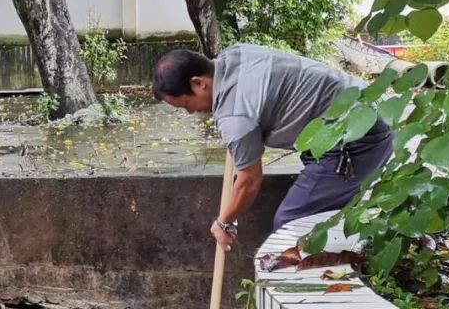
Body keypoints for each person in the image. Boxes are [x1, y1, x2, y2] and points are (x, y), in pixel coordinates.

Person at [151, 43, 394, 252]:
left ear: (198, 83)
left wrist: (224, 222)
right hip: (362, 108)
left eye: (186, 105)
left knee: (291, 224)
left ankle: (314, 290)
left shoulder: (235, 116)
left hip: (356, 137)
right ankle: (364, 250)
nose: (192, 112)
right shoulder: (235, 55)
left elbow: (249, 181)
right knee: (328, 212)